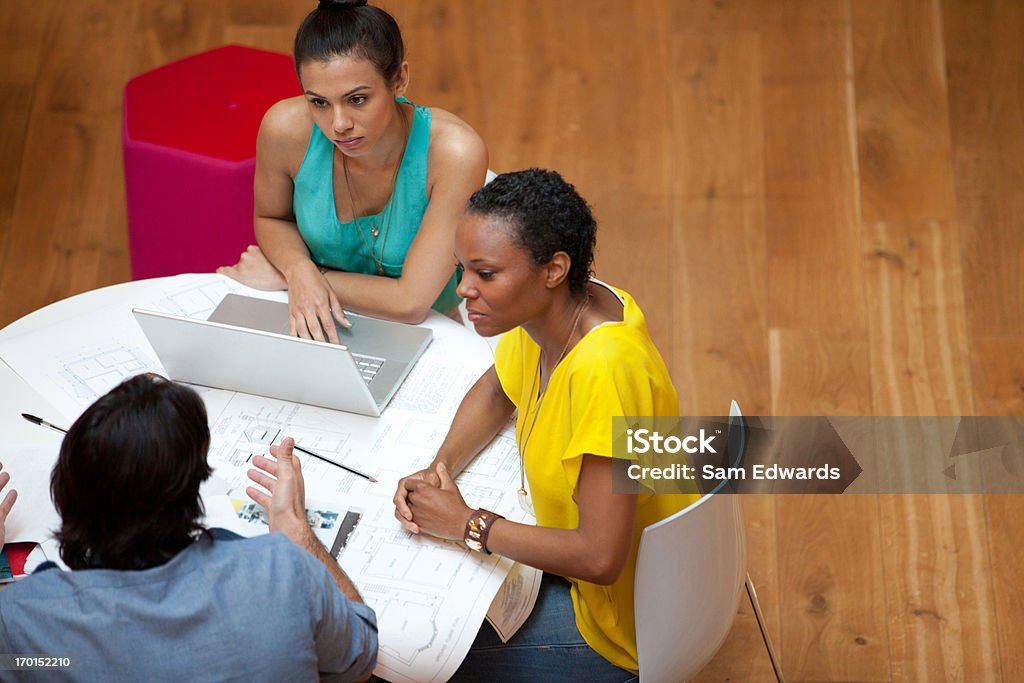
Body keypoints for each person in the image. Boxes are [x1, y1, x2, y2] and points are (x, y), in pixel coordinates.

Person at [392, 169, 701, 681]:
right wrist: (439, 469)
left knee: (404, 655)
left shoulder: (605, 369)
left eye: (486, 274)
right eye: (462, 268)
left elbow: (600, 557)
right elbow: (498, 389)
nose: (464, 289)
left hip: (620, 624)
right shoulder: (551, 311)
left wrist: (467, 524)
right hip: (611, 572)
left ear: (554, 269)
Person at [0, 374, 377, 682]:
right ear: (190, 489)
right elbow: (360, 656)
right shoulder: (282, 573)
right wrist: (297, 532)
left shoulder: (24, 623)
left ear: (66, 493)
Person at [218, 0, 488, 340]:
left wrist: (298, 276)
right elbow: (272, 218)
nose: (339, 125)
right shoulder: (284, 129)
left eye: (357, 99)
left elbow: (411, 303)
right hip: (310, 315)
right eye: (319, 102)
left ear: (400, 79)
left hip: (427, 329)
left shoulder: (454, 152)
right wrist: (298, 270)